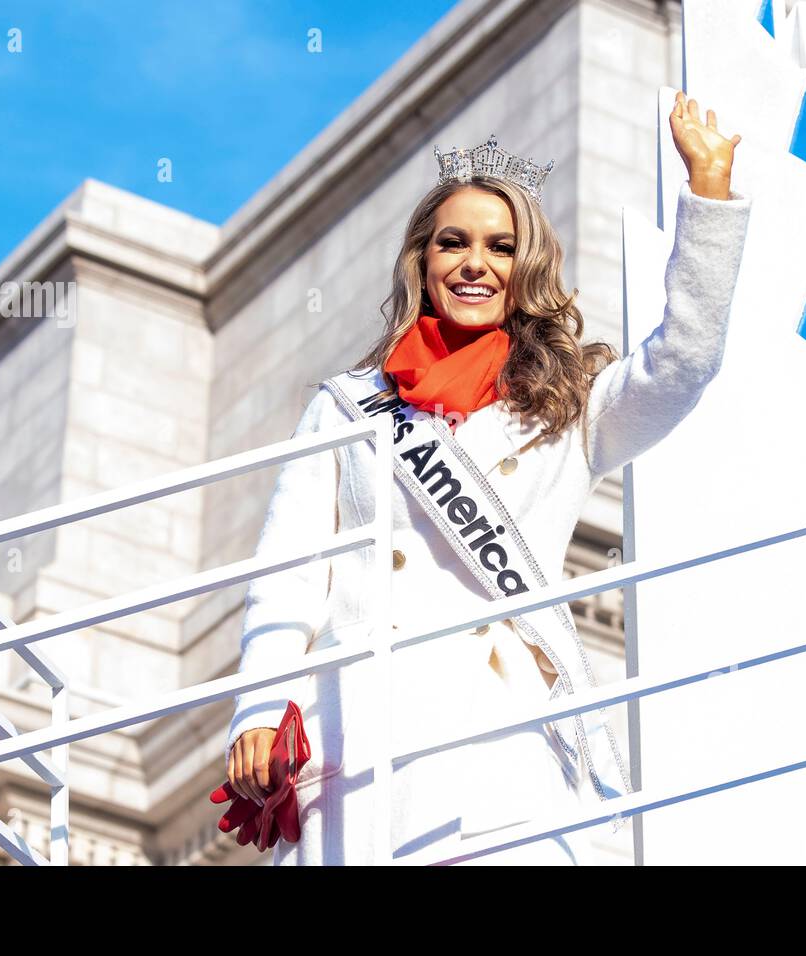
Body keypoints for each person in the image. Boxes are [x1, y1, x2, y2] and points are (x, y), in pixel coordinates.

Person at [223, 92, 752, 865]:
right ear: (423, 260)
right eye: (454, 243)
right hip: (360, 730)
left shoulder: (571, 408)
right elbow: (287, 578)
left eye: (501, 248)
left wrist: (707, 194)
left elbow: (683, 364)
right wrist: (260, 708)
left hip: (497, 741)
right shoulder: (348, 407)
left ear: (526, 267)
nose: (476, 264)